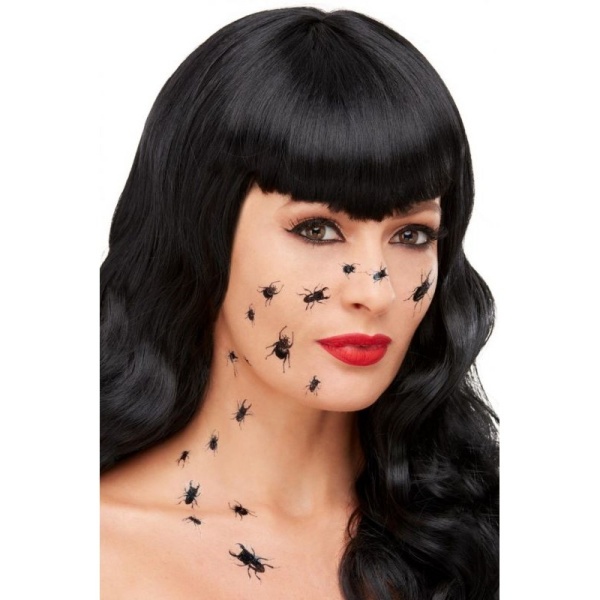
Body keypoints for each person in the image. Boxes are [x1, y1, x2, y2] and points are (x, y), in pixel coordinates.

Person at [100, 7, 499, 599]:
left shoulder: (495, 530)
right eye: (317, 229)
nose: (375, 292)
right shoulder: (85, 554)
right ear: (201, 230)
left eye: (412, 234)